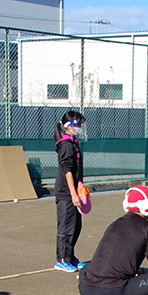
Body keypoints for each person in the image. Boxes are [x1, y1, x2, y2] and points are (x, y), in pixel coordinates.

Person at [53, 110, 86, 272]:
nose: (80, 127)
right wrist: (73, 194)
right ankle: (61, 259)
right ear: (68, 126)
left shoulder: (73, 142)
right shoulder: (65, 145)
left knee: (76, 226)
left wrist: (80, 189)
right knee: (66, 227)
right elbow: (68, 171)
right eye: (77, 124)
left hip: (76, 191)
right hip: (66, 193)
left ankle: (70, 256)